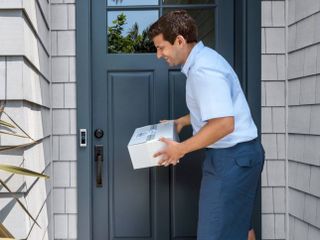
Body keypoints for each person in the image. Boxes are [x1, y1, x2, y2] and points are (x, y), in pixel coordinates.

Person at [148, 10, 265, 240]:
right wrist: (181, 122)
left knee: (214, 234)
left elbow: (223, 123)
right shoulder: (203, 62)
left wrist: (179, 149)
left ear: (179, 40)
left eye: (161, 47)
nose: (158, 55)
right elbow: (214, 109)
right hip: (238, 157)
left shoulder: (203, 70)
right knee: (241, 227)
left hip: (232, 160)